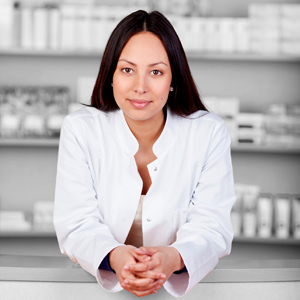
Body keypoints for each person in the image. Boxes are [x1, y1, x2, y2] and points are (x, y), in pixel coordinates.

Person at [54, 10, 235, 298]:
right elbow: (76, 223)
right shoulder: (81, 130)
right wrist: (115, 257)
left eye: (156, 72)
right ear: (110, 75)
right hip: (95, 291)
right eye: (127, 70)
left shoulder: (208, 133)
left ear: (173, 78)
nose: (140, 86)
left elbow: (212, 227)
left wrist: (171, 258)